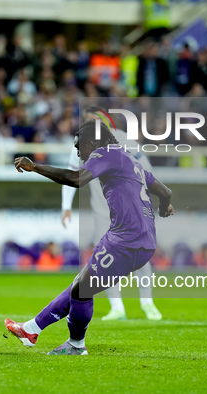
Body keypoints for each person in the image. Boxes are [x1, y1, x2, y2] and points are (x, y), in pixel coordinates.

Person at [5, 120, 174, 355]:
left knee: (81, 291)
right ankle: (31, 329)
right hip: (144, 241)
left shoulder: (105, 153)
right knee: (81, 283)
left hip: (126, 239)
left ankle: (75, 345)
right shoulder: (128, 159)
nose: (78, 153)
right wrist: (165, 207)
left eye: (79, 147)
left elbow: (77, 179)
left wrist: (36, 167)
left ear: (92, 143)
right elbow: (165, 192)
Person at [62, 127, 162, 321]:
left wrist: (150, 200)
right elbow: (72, 174)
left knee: (142, 257)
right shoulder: (82, 145)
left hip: (130, 212)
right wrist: (66, 205)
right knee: (104, 261)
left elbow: (147, 170)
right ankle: (117, 307)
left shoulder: (125, 141)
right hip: (103, 213)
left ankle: (147, 303)